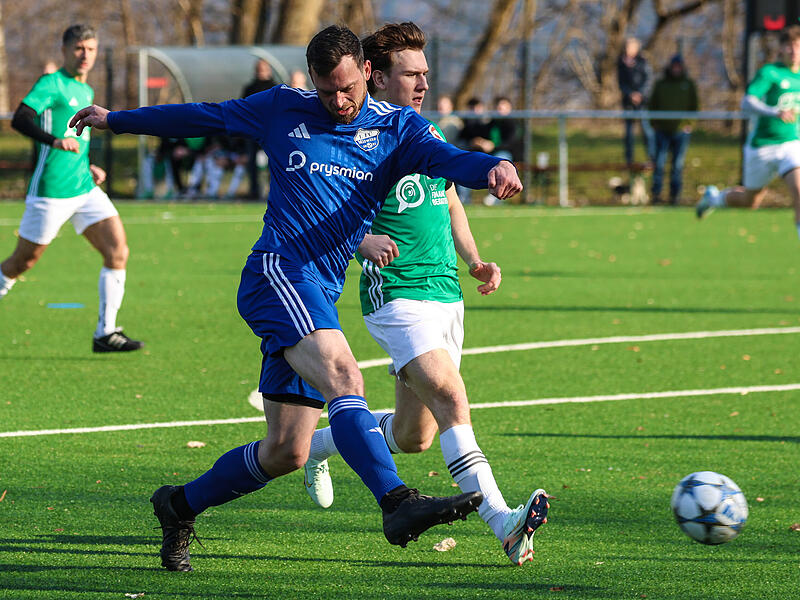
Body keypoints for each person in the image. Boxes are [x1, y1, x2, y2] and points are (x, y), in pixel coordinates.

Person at [70, 24, 522, 572]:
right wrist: (117, 119)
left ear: (366, 73)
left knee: (287, 450)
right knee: (345, 377)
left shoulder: (397, 127)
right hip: (278, 272)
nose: (339, 101)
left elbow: (450, 159)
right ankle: (397, 503)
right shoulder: (283, 108)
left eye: (349, 88)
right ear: (312, 80)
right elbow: (201, 115)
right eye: (328, 89)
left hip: (319, 292)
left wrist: (493, 165)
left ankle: (178, 504)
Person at [301, 22, 548, 567]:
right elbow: (314, 203)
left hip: (445, 294)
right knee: (454, 398)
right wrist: (360, 239)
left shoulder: (424, 133)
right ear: (375, 76)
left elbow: (452, 199)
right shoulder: (355, 138)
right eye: (411, 74)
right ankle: (505, 523)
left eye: (425, 74)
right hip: (398, 296)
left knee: (415, 436)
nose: (422, 83)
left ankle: (317, 447)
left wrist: (474, 258)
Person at [1, 24, 143, 353]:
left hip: (84, 188)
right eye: (79, 48)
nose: (85, 55)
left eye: (91, 49)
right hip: (52, 190)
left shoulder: (87, 90)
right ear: (65, 50)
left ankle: (105, 333)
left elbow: (79, 137)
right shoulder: (52, 84)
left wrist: (88, 165)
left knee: (117, 251)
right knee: (22, 262)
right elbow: (20, 119)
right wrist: (53, 141)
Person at [697, 25, 800, 232]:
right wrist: (774, 111)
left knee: (799, 191)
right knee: (750, 201)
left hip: (790, 145)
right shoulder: (770, 73)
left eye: (798, 46)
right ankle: (714, 198)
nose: (794, 51)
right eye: (789, 47)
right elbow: (747, 102)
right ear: (781, 49)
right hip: (762, 147)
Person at [648, 54, 698, 205]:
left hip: (680, 131)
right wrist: (654, 122)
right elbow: (652, 104)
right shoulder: (661, 84)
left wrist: (689, 124)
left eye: (679, 66)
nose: (676, 69)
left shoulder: (688, 84)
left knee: (677, 165)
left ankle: (674, 196)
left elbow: (695, 106)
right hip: (662, 130)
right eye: (674, 66)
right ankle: (656, 195)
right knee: (660, 163)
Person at [241, 59, 277, 199]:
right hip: (253, 130)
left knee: (273, 161)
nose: (261, 71)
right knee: (251, 162)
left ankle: (273, 190)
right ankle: (254, 190)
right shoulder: (249, 88)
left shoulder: (275, 88)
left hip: (271, 130)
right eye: (259, 68)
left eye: (263, 68)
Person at [618, 37, 655, 166]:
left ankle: (651, 157)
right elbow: (621, 83)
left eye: (630, 47)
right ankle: (629, 159)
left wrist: (640, 94)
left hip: (642, 102)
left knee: (646, 129)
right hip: (628, 102)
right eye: (627, 46)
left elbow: (649, 80)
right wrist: (630, 94)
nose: (628, 49)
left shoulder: (643, 61)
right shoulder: (621, 63)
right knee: (629, 132)